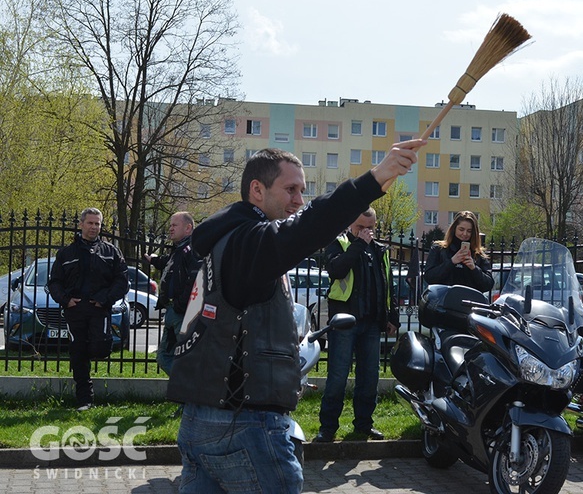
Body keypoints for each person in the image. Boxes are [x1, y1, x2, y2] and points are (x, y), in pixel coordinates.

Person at [165, 139, 426, 493]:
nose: (299, 200)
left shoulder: (224, 240)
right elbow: (306, 229)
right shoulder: (247, 242)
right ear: (257, 190)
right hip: (244, 426)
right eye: (290, 189)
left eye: (303, 191)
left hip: (201, 421)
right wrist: (374, 178)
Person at [314, 208, 399, 443]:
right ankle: (328, 427)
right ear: (351, 224)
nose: (366, 232)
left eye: (370, 227)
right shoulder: (339, 244)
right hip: (344, 322)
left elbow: (387, 285)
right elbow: (336, 270)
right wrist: (358, 244)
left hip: (371, 322)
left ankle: (364, 425)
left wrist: (391, 317)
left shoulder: (379, 250)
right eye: (361, 227)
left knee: (369, 377)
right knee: (338, 376)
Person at [47, 208, 129, 411]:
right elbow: (54, 282)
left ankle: (92, 354)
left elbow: (122, 280)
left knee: (100, 348)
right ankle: (85, 399)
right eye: (90, 223)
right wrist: (66, 300)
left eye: (98, 224)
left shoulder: (111, 252)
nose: (94, 227)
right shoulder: (66, 253)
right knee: (78, 352)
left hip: (99, 308)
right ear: (81, 224)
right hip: (75, 310)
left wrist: (105, 299)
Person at [143, 211, 202, 375]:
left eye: (174, 225)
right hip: (172, 311)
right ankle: (186, 392)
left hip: (181, 314)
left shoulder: (192, 250)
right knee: (163, 357)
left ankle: (190, 395)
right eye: (170, 225)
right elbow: (170, 264)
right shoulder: (179, 250)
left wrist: (180, 305)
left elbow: (195, 279)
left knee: (185, 357)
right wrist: (154, 260)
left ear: (188, 228)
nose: (170, 228)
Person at [423, 210, 493, 294]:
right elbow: (429, 277)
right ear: (454, 229)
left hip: (469, 302)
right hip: (443, 301)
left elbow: (488, 284)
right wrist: (451, 262)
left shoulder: (478, 254)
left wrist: (474, 268)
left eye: (469, 231)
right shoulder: (439, 249)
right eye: (461, 229)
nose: (465, 234)